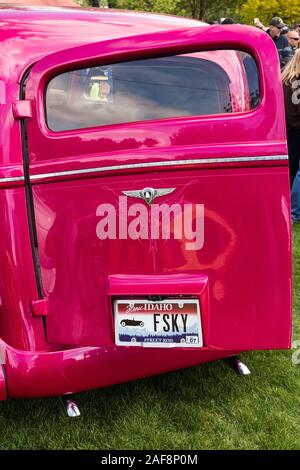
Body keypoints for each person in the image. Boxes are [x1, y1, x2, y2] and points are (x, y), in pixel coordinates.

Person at [282, 49, 300, 188]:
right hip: (296, 131)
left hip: (285, 130)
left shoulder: (285, 79)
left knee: (289, 170)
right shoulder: (298, 82)